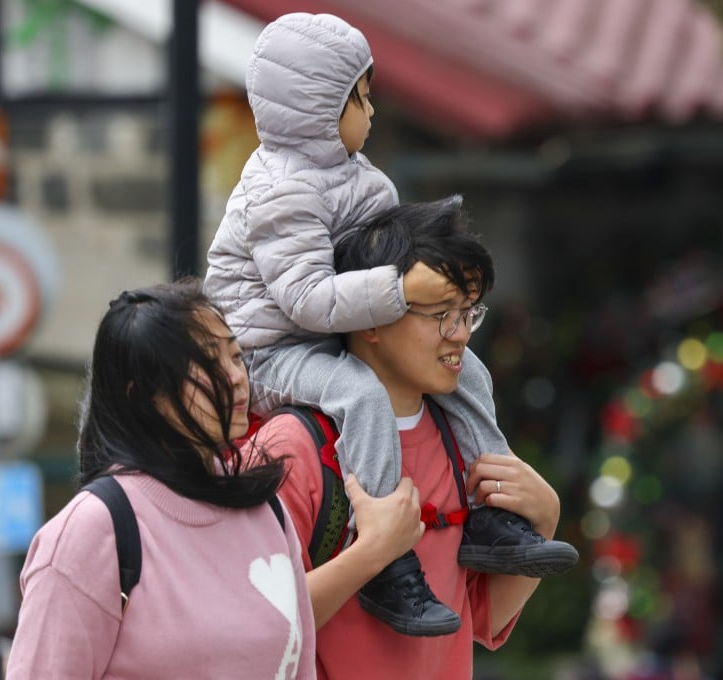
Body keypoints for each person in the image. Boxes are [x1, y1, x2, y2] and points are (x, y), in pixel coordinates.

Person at [204, 11, 576, 636]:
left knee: (474, 375)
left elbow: (482, 624)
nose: (373, 112)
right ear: (319, 107)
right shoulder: (277, 190)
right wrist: (401, 289)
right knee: (361, 395)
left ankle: (494, 510)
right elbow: (307, 300)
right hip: (271, 348)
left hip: (332, 335)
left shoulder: (363, 178)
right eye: (362, 97)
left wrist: (544, 514)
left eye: (465, 313)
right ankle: (386, 557)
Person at [247, 198, 562, 677]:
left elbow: (476, 616)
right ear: (370, 314)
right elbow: (249, 626)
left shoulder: (459, 437)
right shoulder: (293, 447)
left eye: (468, 312)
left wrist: (546, 520)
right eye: (440, 313)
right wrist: (372, 554)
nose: (459, 334)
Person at [5, 279, 316, 679]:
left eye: (236, 356)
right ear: (145, 394)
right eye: (208, 364)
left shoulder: (266, 510)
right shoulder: (93, 531)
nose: (236, 377)